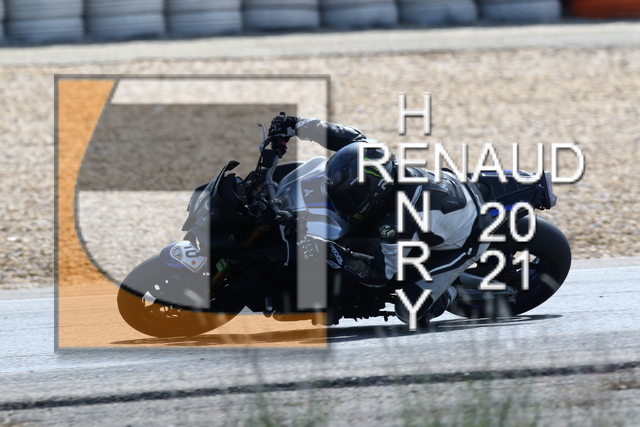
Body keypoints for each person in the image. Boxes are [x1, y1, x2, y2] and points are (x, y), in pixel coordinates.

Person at [268, 113, 491, 327]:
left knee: (409, 310)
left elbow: (380, 274)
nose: (342, 204)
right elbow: (349, 137)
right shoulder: (373, 156)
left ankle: (450, 292)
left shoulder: (398, 221)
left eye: (350, 198)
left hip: (471, 234)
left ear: (373, 193)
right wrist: (295, 124)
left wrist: (328, 251)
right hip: (449, 192)